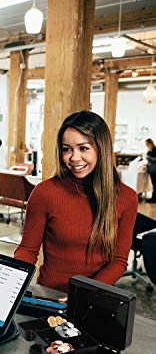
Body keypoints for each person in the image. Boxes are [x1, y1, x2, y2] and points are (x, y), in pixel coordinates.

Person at [14, 111, 138, 293]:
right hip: (49, 296)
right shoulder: (44, 193)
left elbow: (118, 262)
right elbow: (27, 250)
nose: (74, 157)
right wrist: (11, 280)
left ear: (101, 148)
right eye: (67, 149)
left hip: (94, 297)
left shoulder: (126, 198)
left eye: (84, 148)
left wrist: (84, 292)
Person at [145, 138, 156, 202]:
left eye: (147, 144)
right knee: (153, 184)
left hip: (155, 170)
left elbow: (154, 160)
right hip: (152, 170)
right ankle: (153, 197)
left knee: (155, 184)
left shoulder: (155, 150)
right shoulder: (150, 151)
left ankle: (154, 198)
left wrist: (149, 158)